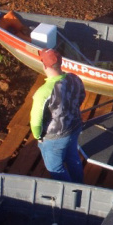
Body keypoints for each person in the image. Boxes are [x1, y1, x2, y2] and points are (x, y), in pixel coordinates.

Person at [30, 48, 86, 183]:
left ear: (44, 66)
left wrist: (38, 137)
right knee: (73, 158)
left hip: (55, 137)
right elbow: (81, 97)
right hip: (75, 126)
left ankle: (68, 193)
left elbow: (36, 122)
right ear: (60, 63)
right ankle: (80, 185)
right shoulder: (74, 78)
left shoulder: (43, 92)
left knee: (55, 167)